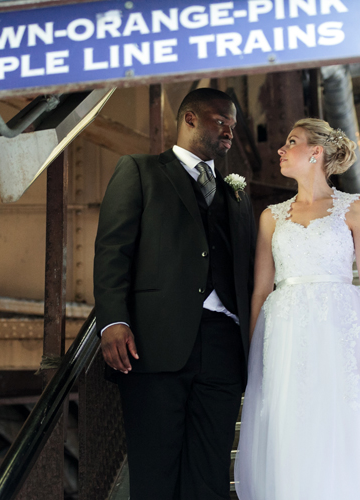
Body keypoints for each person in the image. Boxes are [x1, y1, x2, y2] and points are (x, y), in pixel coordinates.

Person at [234, 118, 360, 499]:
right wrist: (253, 353)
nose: (281, 150)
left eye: (291, 142)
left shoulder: (355, 208)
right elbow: (259, 291)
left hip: (341, 328)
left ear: (315, 153)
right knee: (291, 427)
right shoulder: (271, 216)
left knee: (345, 422)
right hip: (284, 332)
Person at [94, 88, 256, 500]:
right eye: (222, 121)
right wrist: (113, 320)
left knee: (211, 473)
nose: (229, 133)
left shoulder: (235, 193)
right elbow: (114, 249)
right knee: (155, 471)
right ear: (190, 118)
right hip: (154, 341)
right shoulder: (139, 171)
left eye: (233, 126)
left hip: (223, 344)